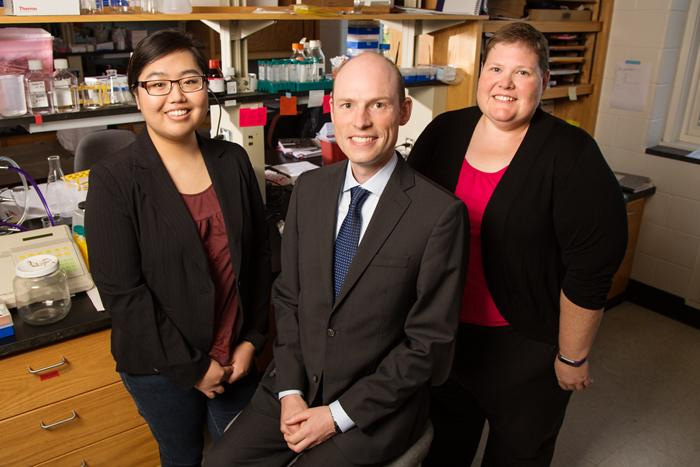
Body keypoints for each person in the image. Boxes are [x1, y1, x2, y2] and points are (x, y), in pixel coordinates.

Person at [205, 52, 468, 467]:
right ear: (332, 109)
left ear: (403, 111)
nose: (360, 121)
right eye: (347, 105)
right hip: (295, 383)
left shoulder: (439, 215)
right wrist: (290, 392)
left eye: (377, 105)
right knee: (219, 464)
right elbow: (288, 298)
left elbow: (428, 346)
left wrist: (335, 417)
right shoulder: (309, 190)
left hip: (374, 406)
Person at [408, 22, 628, 467]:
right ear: (481, 74)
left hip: (527, 345)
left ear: (544, 82)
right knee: (444, 446)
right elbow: (409, 221)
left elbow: (590, 268)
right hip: (447, 335)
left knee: (518, 453)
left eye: (523, 73)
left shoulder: (573, 155)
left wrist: (572, 355)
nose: (505, 83)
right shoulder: (444, 132)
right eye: (495, 68)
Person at [85, 30, 270, 467]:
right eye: (157, 83)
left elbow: (261, 257)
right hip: (159, 369)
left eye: (189, 81)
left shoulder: (232, 159)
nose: (176, 96)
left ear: (206, 88)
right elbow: (123, 295)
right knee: (183, 458)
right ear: (137, 94)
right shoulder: (115, 179)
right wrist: (194, 369)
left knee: (244, 458)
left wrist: (252, 340)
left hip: (236, 356)